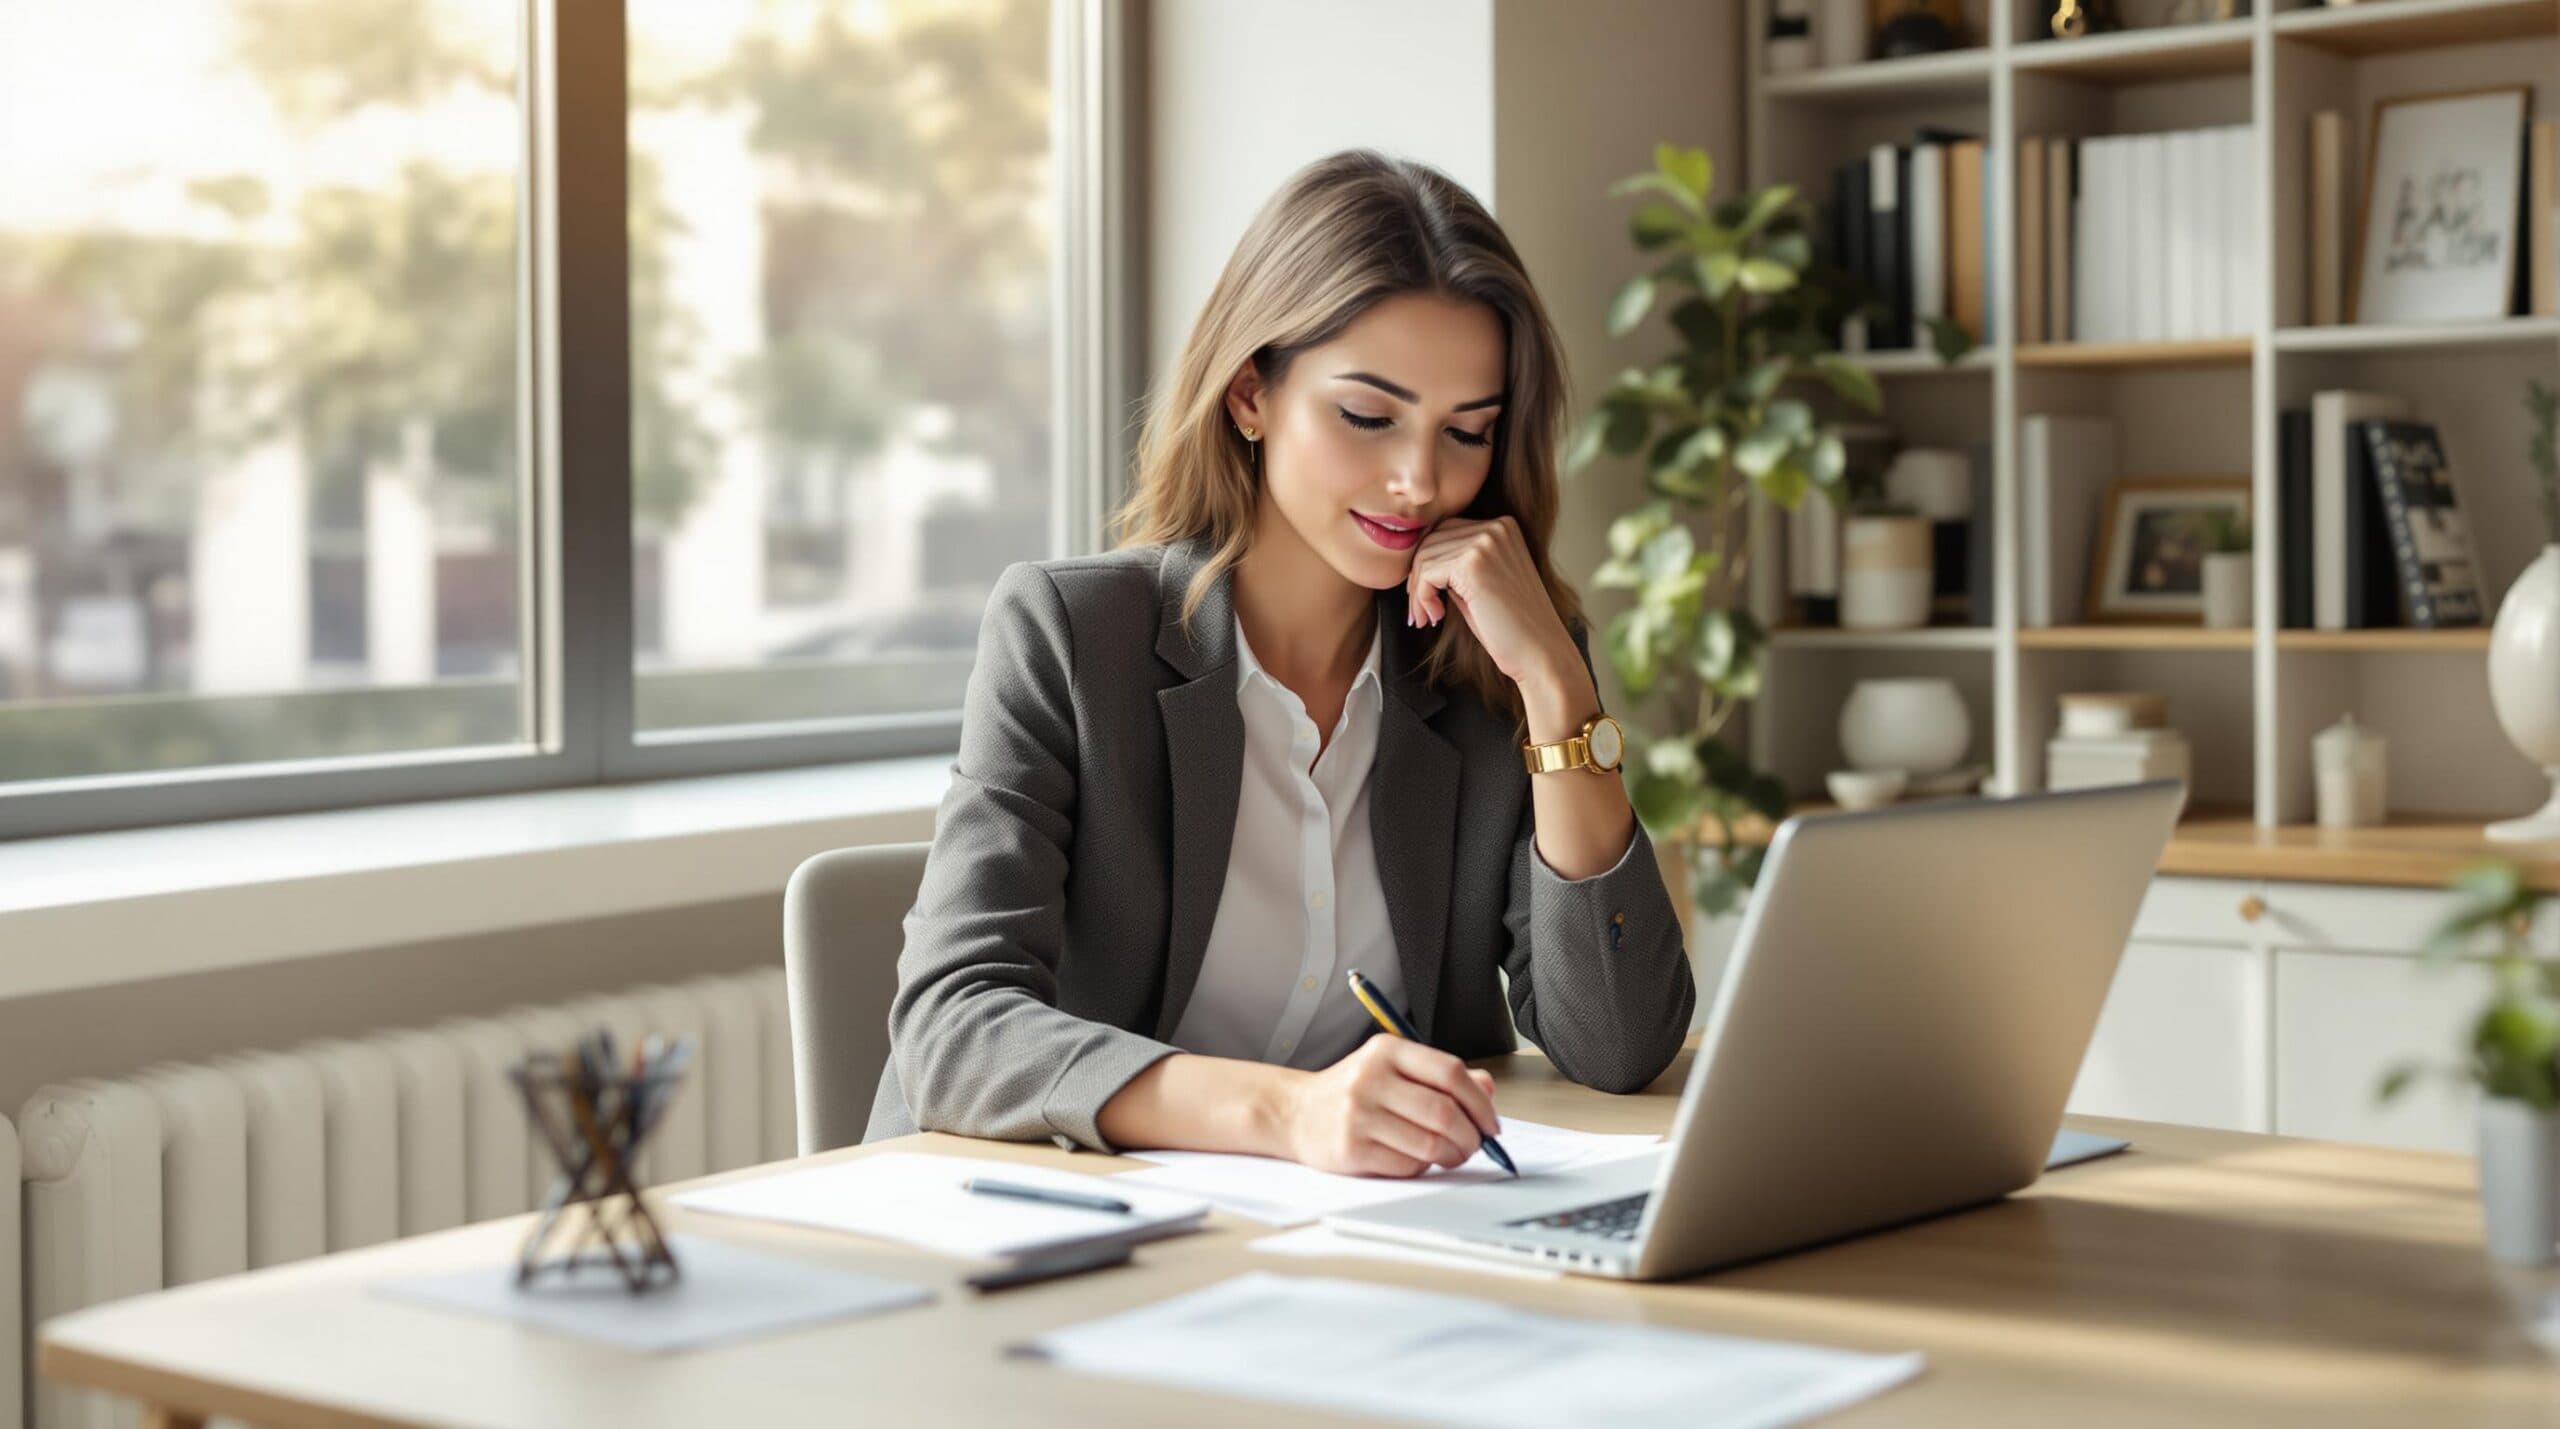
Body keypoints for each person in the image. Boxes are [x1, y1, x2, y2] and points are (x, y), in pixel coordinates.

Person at [865, 148, 1695, 1176]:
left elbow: (1619, 1046)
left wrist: (1560, 697)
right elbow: (951, 1030)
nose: (1417, 480)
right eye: (1366, 416)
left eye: (1466, 431)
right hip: (1051, 1225)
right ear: (1251, 393)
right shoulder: (1074, 635)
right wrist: (1289, 1112)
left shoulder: (1495, 665)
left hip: (1344, 1243)